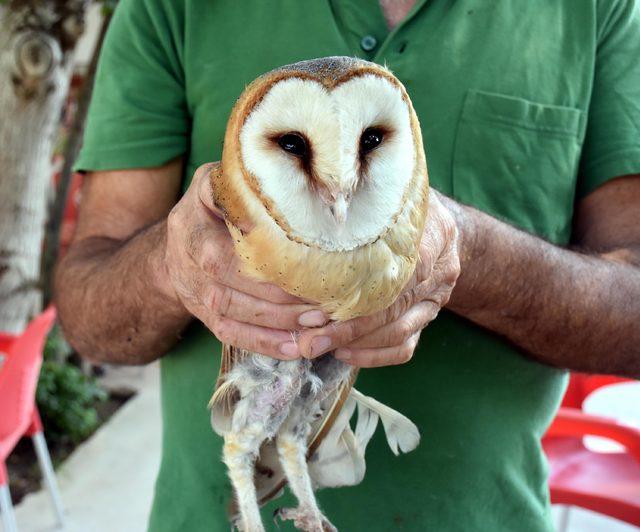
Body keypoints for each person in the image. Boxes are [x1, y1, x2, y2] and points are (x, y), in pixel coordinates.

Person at [55, 0, 640, 530]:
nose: (336, 190)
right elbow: (86, 315)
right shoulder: (173, 8)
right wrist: (168, 266)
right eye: (290, 146)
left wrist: (467, 253)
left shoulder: (597, 11)